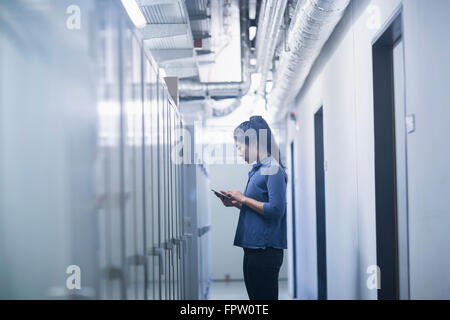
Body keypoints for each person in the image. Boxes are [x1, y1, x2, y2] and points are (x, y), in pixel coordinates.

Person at [215, 115, 287, 300]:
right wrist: (238, 203)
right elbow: (261, 210)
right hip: (252, 248)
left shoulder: (273, 169)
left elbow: (276, 210)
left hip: (265, 251)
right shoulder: (257, 170)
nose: (239, 152)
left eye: (239, 147)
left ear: (253, 142)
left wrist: (244, 199)